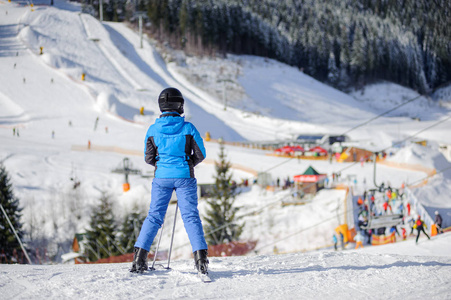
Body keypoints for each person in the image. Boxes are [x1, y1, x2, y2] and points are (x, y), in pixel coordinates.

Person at [130, 87, 209, 275]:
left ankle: (139, 259)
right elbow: (201, 154)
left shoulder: (152, 130)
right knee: (190, 216)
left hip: (161, 178)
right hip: (184, 177)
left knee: (154, 216)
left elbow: (149, 158)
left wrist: (162, 163)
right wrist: (188, 163)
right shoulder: (189, 128)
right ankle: (201, 260)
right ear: (180, 105)